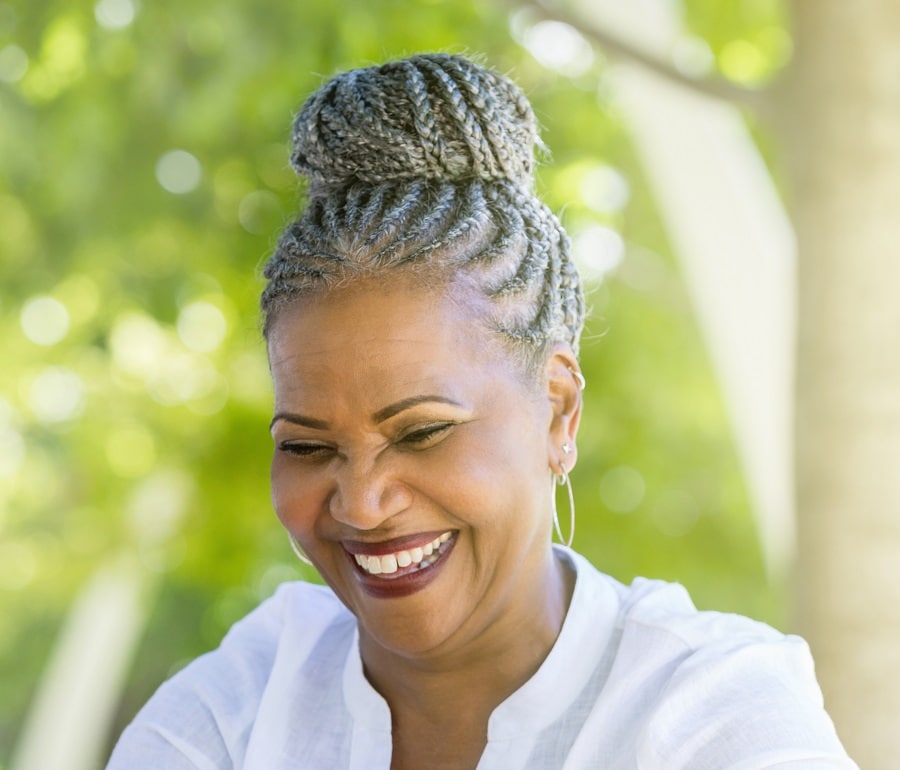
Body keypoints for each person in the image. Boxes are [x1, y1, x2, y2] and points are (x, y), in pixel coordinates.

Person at [106, 53, 858, 769]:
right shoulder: (237, 712)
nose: (362, 504)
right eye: (308, 447)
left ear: (558, 411)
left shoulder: (711, 711)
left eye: (422, 431)